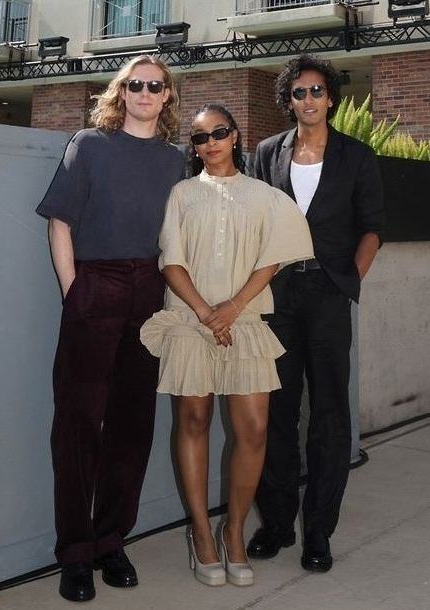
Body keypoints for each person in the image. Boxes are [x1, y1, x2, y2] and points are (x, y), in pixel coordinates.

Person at [140, 103, 313, 587]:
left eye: (218, 132)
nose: (210, 142)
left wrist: (232, 307)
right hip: (190, 319)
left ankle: (233, 531)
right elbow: (172, 261)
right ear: (194, 147)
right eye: (200, 137)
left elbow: (272, 259)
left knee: (254, 429)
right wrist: (205, 312)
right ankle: (200, 533)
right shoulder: (182, 194)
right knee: (193, 420)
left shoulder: (265, 196)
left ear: (235, 135)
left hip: (245, 320)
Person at [36, 55, 186, 602]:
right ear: (121, 92)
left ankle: (110, 541)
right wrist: (74, 291)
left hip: (149, 288)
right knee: (78, 423)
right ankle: (75, 553)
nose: (145, 92)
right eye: (135, 84)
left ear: (167, 96)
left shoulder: (175, 160)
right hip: (95, 284)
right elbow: (61, 222)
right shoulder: (89, 144)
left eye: (155, 85)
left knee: (132, 424)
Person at [247, 54, 385, 573]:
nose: (308, 100)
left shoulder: (357, 155)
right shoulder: (267, 153)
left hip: (328, 295)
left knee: (328, 414)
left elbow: (372, 227)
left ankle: (319, 531)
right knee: (276, 410)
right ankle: (278, 523)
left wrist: (348, 281)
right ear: (288, 100)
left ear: (331, 98)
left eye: (317, 91)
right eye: (299, 92)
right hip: (277, 297)